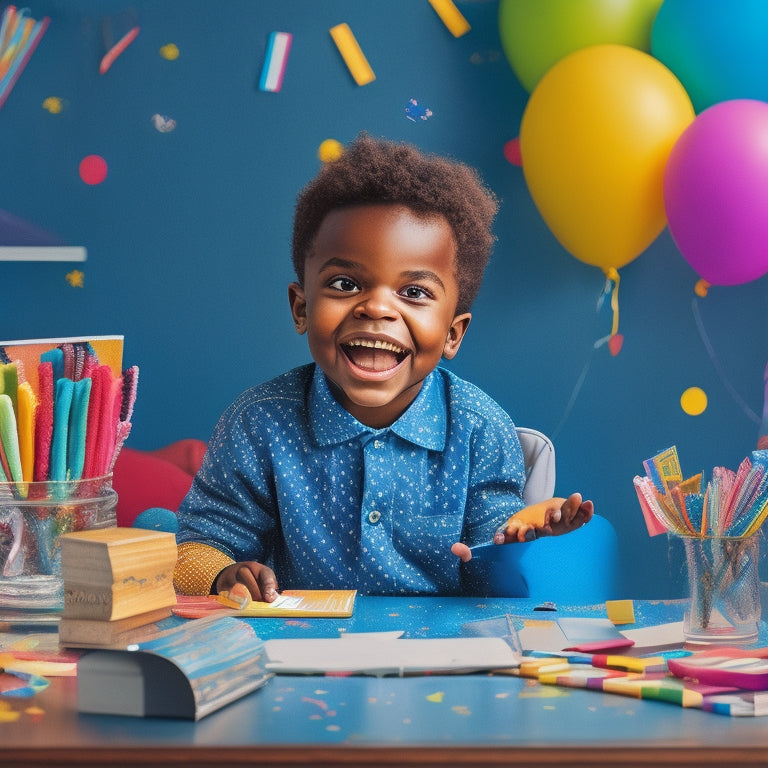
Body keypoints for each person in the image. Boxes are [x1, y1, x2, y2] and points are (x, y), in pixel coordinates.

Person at [173, 133, 593, 602]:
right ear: (301, 308)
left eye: (413, 292)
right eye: (346, 283)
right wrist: (222, 575)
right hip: (298, 648)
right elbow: (197, 547)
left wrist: (520, 529)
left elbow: (492, 543)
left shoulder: (478, 427)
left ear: (453, 333)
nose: (376, 308)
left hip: (440, 658)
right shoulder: (258, 424)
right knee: (157, 530)